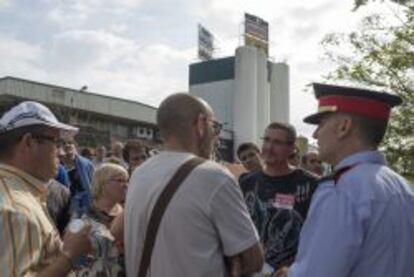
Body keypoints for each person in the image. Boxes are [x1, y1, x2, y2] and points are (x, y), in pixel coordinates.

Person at [125, 93, 263, 276]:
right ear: (200, 124)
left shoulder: (139, 173)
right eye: (215, 127)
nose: (216, 137)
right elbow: (253, 260)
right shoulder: (214, 176)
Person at [286, 83, 414, 276]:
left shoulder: (342, 189)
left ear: (344, 127)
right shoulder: (403, 187)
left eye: (321, 123)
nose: (315, 134)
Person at [0, 101, 91, 276]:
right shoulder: (16, 210)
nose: (62, 153)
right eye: (56, 143)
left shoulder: (18, 195)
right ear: (29, 143)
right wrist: (69, 255)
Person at [239, 122, 319, 274]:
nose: (269, 147)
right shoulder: (247, 183)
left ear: (292, 149)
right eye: (267, 140)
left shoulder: (311, 184)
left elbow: (319, 234)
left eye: (277, 143)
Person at [73, 163, 128, 276]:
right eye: (119, 180)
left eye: (126, 180)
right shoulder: (82, 215)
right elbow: (74, 253)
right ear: (102, 184)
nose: (125, 185)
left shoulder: (128, 213)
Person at [61, 138, 95, 216]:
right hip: (62, 204)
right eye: (64, 143)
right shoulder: (58, 165)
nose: (67, 145)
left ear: (75, 146)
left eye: (70, 142)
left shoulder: (87, 164)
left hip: (84, 205)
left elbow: (94, 185)